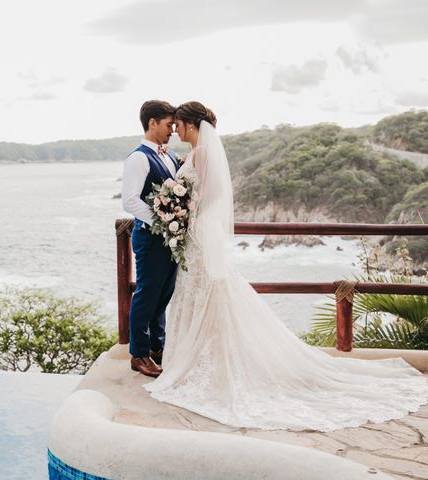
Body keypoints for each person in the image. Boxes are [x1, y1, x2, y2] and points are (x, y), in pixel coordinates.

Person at [144, 101, 428, 431]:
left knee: (210, 291)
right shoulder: (194, 154)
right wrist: (178, 210)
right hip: (195, 233)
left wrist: (182, 211)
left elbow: (213, 195)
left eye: (178, 123)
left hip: (200, 232)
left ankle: (212, 364)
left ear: (192, 125)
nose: (175, 129)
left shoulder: (203, 154)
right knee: (203, 293)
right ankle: (203, 360)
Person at [122, 100, 180, 378]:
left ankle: (158, 347)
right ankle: (139, 354)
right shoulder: (138, 158)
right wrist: (164, 223)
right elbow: (130, 201)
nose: (173, 130)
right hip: (150, 238)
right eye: (169, 125)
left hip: (169, 240)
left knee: (163, 294)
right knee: (146, 295)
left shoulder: (169, 156)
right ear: (153, 122)